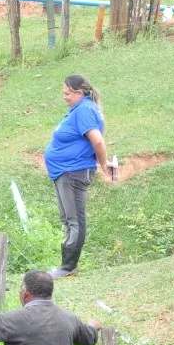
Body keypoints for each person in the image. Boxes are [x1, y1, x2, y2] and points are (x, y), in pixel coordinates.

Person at [43, 74, 112, 279]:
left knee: (75, 220)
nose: (64, 97)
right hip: (64, 171)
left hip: (74, 172)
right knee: (68, 218)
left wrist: (103, 164)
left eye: (67, 93)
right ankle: (66, 264)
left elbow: (98, 141)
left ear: (79, 93)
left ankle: (68, 267)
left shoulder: (84, 110)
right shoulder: (79, 109)